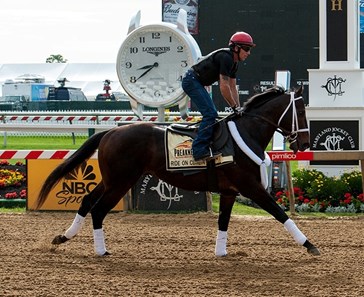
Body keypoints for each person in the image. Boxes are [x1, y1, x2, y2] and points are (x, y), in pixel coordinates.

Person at [182, 31, 255, 162]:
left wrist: (238, 108)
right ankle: (198, 151)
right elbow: (224, 87)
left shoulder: (234, 63)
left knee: (211, 114)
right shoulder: (226, 57)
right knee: (210, 114)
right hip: (191, 80)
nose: (249, 53)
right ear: (236, 48)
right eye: (247, 49)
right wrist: (234, 107)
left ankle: (206, 144)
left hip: (196, 81)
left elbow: (233, 87)